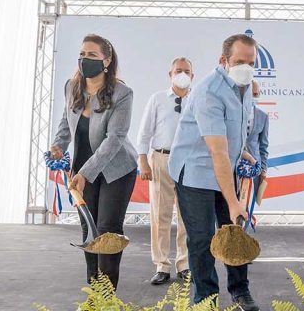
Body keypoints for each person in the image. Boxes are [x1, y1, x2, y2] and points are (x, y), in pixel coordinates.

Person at [168, 34, 259, 310]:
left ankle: (240, 291)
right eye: (239, 61)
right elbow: (216, 151)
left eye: (251, 62)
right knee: (202, 238)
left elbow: (232, 135)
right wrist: (233, 201)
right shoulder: (209, 91)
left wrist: (242, 152)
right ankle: (205, 299)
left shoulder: (244, 88)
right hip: (195, 172)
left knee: (235, 231)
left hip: (224, 167)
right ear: (224, 60)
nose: (246, 67)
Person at [49, 34, 138, 290]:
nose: (84, 59)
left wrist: (85, 173)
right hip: (83, 171)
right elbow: (66, 123)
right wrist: (58, 146)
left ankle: (106, 296)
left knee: (107, 230)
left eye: (92, 55)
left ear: (106, 61)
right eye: (82, 54)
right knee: (89, 229)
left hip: (116, 170)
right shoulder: (71, 86)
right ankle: (94, 290)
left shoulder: (122, 93)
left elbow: (115, 139)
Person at [137, 57, 193, 285]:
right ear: (170, 74)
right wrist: (143, 160)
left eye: (186, 71)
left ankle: (184, 264)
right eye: (178, 70)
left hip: (189, 161)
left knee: (187, 216)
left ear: (192, 76)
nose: (182, 74)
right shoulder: (157, 99)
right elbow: (144, 132)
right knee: (160, 214)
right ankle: (161, 265)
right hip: (161, 158)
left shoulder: (199, 100)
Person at [246, 80, 269, 198]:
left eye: (256, 94)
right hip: (233, 167)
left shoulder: (263, 116)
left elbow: (263, 146)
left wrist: (263, 169)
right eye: (251, 94)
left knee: (249, 205)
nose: (254, 97)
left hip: (255, 167)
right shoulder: (232, 112)